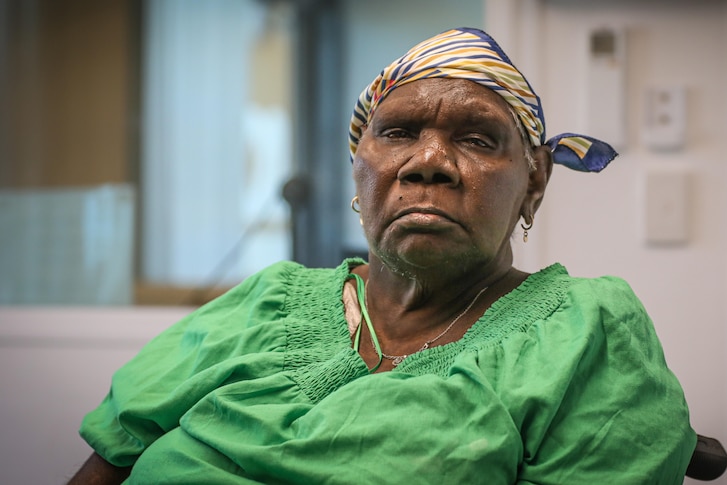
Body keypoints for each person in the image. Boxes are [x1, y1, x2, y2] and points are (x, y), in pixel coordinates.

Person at [70, 27, 695, 484]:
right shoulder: (266, 302)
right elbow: (107, 461)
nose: (428, 161)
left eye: (478, 139)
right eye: (397, 132)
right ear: (359, 172)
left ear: (534, 182)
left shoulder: (587, 334)